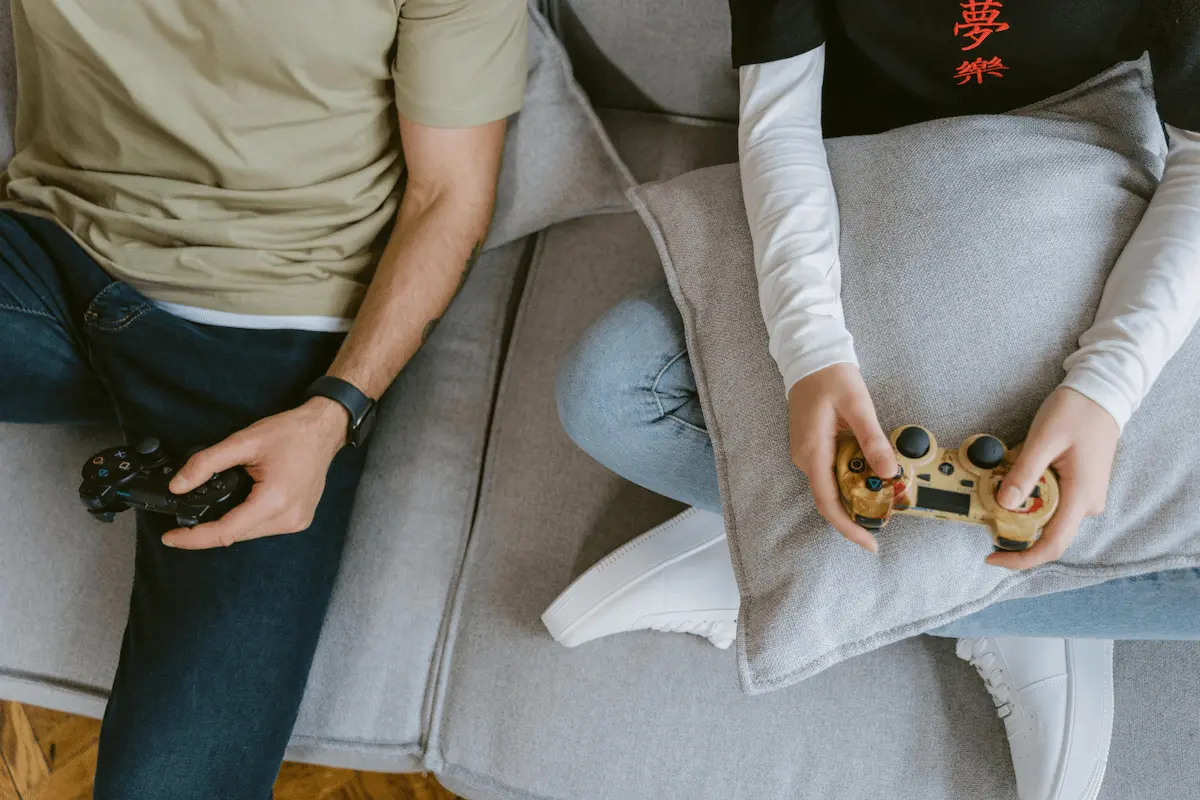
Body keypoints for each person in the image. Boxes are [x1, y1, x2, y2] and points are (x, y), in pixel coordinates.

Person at [547, 2, 1200, 799]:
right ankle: (1004, 593)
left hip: (1090, 185)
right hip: (867, 186)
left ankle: (832, 569)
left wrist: (1106, 385)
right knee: (608, 391)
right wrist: (810, 351)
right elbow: (779, 119)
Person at [0, 1, 526, 797]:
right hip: (48, 241)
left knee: (172, 784)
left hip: (269, 325)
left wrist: (334, 410)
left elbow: (448, 194)